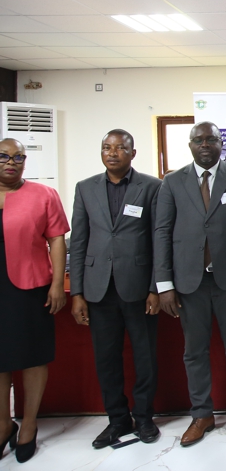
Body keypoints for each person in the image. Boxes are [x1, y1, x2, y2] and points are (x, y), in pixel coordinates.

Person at [154, 122, 226, 446]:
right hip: (189, 283)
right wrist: (164, 284)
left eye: (210, 138)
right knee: (194, 352)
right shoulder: (171, 182)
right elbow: (162, 233)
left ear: (220, 142)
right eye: (198, 140)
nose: (204, 144)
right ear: (189, 145)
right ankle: (202, 415)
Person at [69, 130, 162, 448]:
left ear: (132, 153)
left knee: (145, 356)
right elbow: (78, 242)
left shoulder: (151, 187)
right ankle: (117, 420)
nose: (112, 153)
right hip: (98, 289)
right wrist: (77, 292)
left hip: (138, 288)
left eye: (120, 148)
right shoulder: (85, 188)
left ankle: (145, 417)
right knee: (106, 358)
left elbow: (158, 241)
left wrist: (155, 288)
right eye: (106, 148)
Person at [0, 138, 69, 464]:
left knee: (32, 355)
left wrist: (57, 284)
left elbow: (57, 240)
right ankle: (3, 424)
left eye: (18, 157)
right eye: (3, 156)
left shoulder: (43, 195)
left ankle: (28, 423)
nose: (11, 162)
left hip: (29, 287)